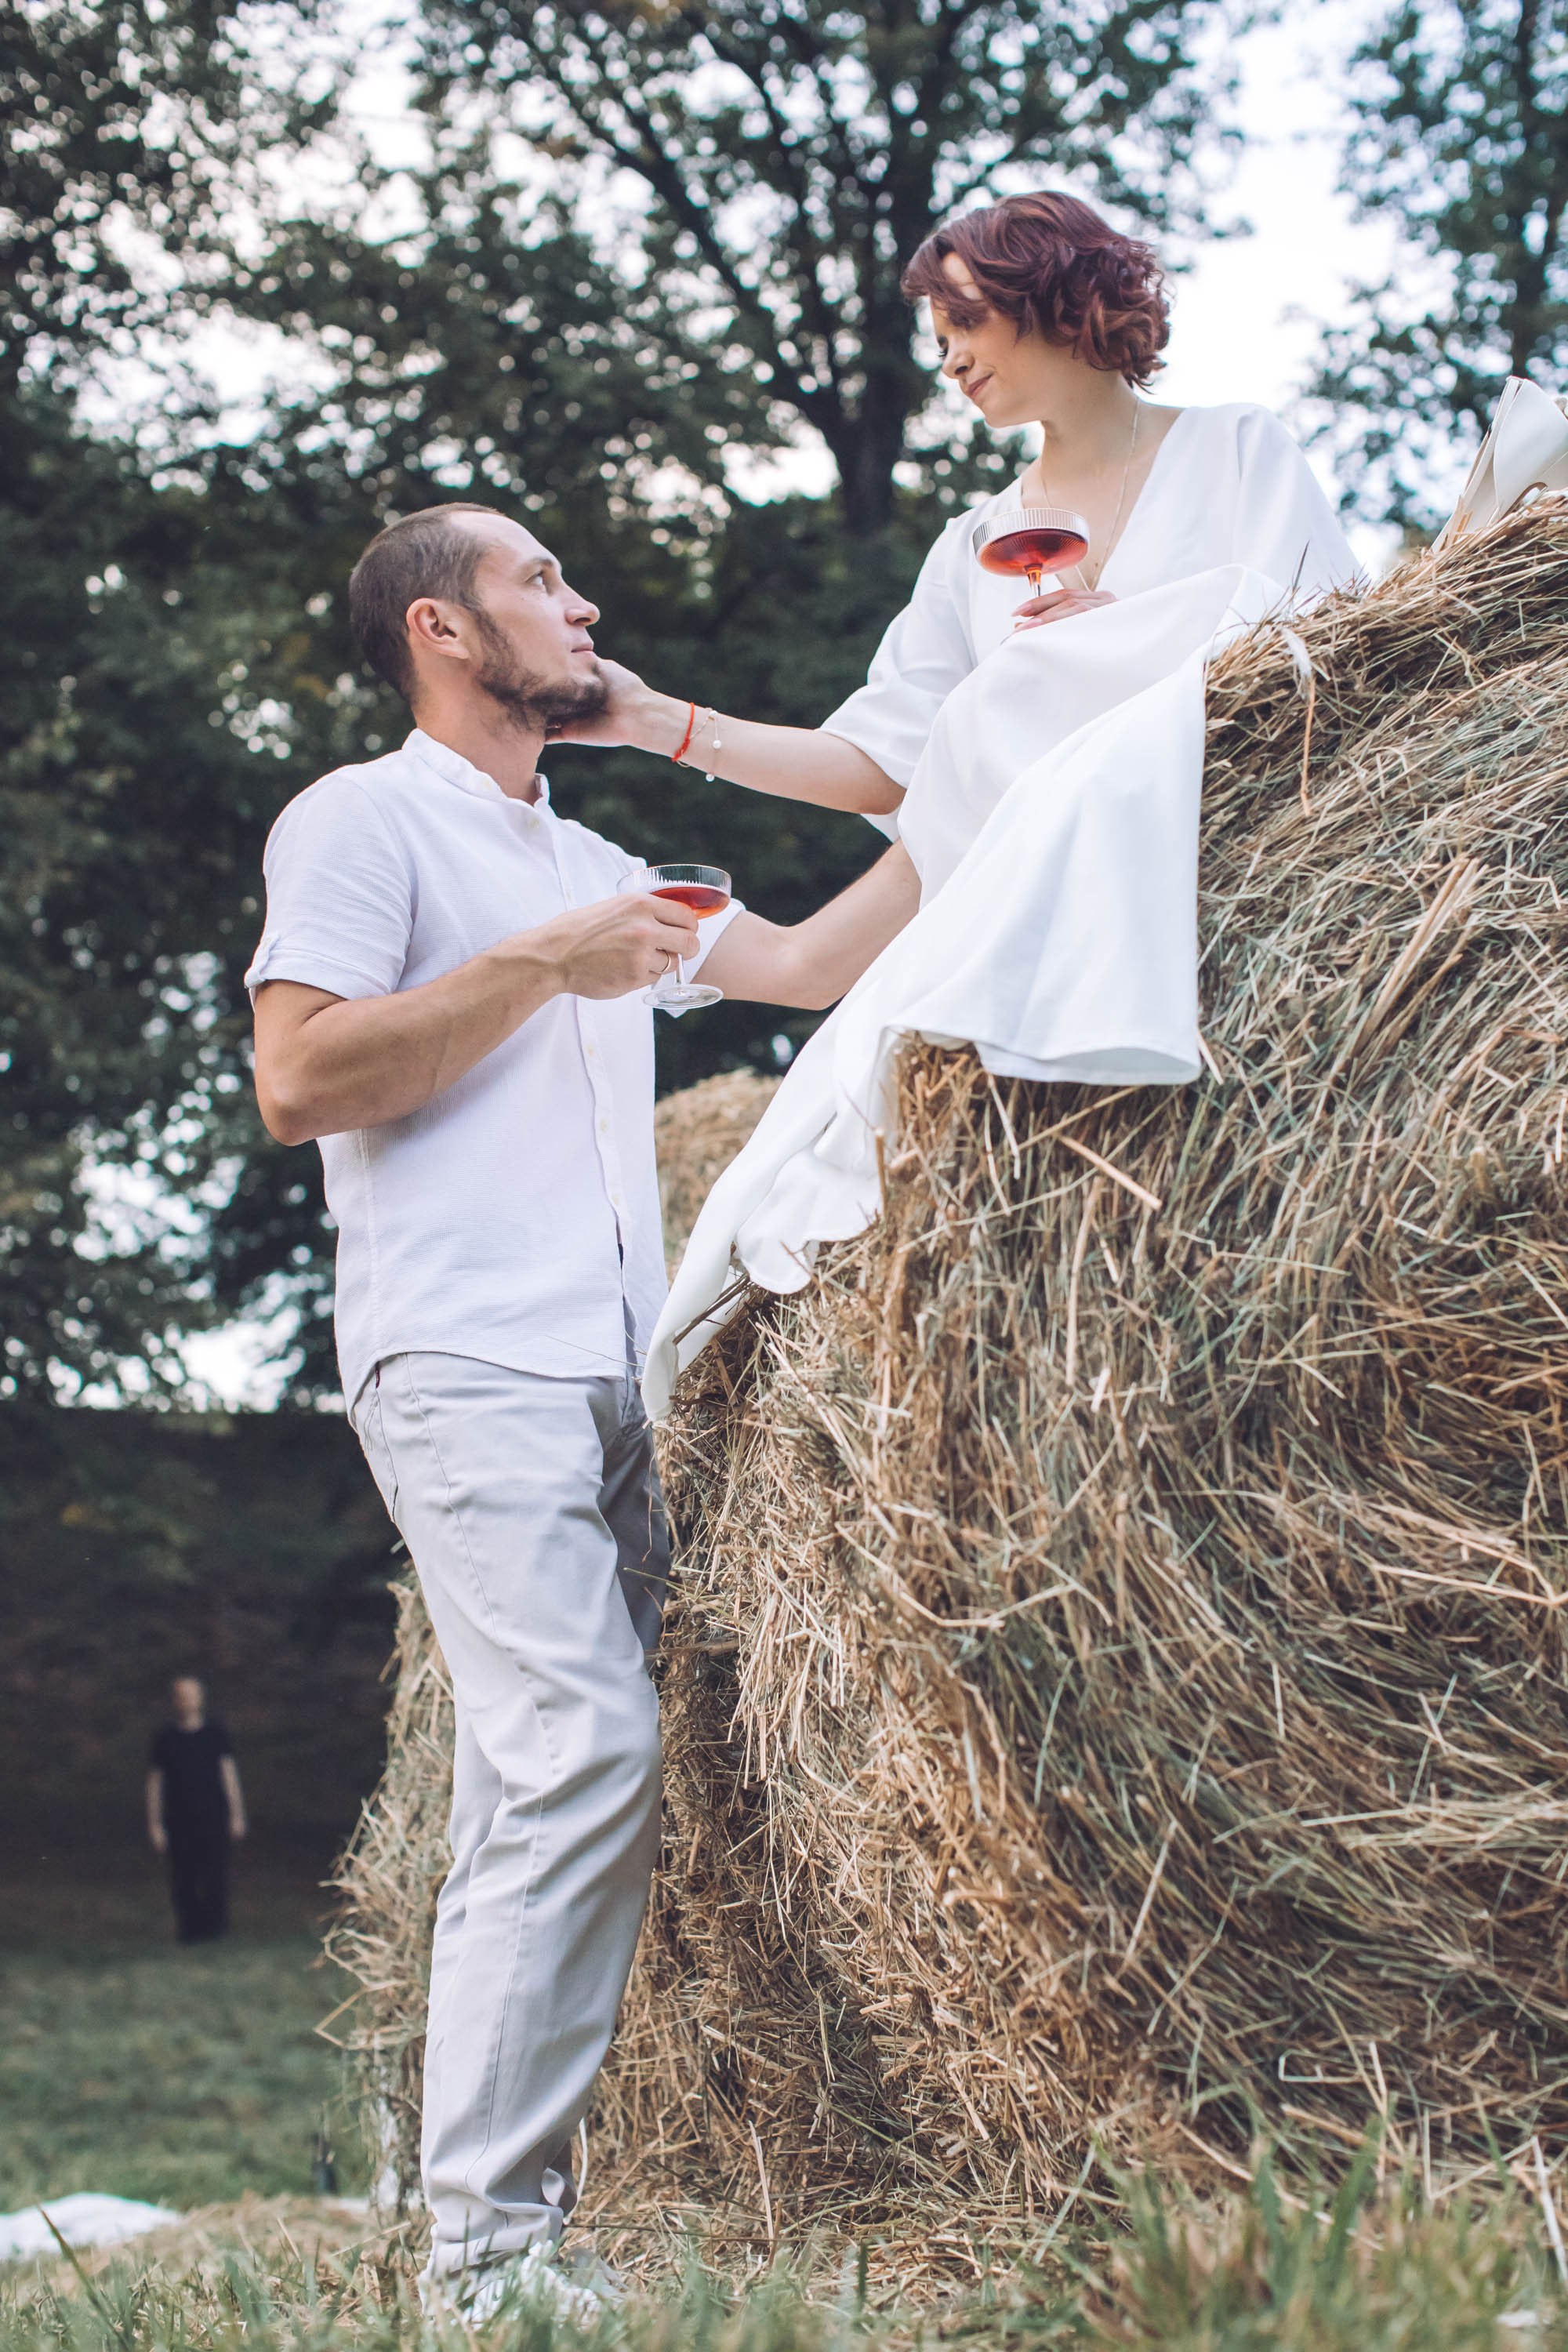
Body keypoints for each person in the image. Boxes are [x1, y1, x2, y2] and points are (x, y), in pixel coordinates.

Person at [244, 503, 918, 2319]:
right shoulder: (360, 820)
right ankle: (487, 2259)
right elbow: (299, 1076)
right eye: (539, 579)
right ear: (441, 631)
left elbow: (806, 965)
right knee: (577, 1755)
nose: (580, 598)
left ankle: (466, 2221)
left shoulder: (600, 851)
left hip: (614, 1377)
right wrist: (551, 958)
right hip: (465, 1362)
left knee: (543, 1783)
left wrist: (1002, 785)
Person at [543, 191, 1363, 1410]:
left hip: (1219, 844)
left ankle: (801, 961)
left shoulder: (1238, 449)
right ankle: (795, 965)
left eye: (970, 320)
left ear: (1067, 298)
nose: (955, 359)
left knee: (1007, 705)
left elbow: (1327, 650)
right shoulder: (975, 541)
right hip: (1024, 878)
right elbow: (886, 764)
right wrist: (662, 722)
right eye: (937, 338)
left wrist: (1127, 642)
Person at [147, 1676, 246, 1943]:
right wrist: (155, 1825)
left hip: (214, 1818)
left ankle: (217, 1931)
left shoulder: (216, 1735)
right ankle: (190, 1932)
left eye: (192, 1695)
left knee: (215, 1875)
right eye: (181, 1695)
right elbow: (155, 1784)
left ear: (201, 1699)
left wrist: (237, 1815)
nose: (187, 1701)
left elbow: (229, 1776)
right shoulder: (165, 1739)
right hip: (179, 1820)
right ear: (174, 1701)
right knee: (183, 1877)